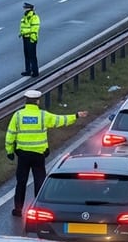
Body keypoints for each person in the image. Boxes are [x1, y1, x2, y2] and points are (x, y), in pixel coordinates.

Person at [5, 89, 87, 217]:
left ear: (26, 101)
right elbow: (60, 120)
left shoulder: (18, 115)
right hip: (38, 155)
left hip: (23, 155)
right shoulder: (43, 115)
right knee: (39, 181)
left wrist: (9, 151)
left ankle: (18, 209)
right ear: (37, 101)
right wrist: (75, 115)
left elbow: (10, 135)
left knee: (21, 182)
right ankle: (38, 208)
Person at [19, 2, 40, 77]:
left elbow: (34, 28)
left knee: (32, 56)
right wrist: (21, 33)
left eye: (25, 8)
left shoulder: (34, 17)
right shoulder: (26, 16)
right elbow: (24, 26)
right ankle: (28, 70)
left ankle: (35, 72)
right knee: (27, 55)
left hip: (31, 38)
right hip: (25, 37)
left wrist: (32, 38)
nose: (24, 9)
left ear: (29, 8)